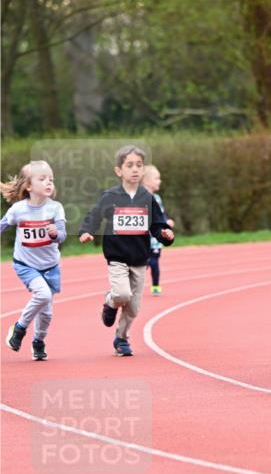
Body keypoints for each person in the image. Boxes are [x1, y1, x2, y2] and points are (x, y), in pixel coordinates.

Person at [79, 145, 174, 356]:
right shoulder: (110, 196)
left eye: (139, 165)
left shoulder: (147, 199)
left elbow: (157, 226)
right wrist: (87, 231)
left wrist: (165, 235)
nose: (135, 170)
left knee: (133, 307)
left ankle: (121, 338)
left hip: (140, 258)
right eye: (129, 165)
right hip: (117, 257)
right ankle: (110, 301)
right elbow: (94, 215)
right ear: (119, 170)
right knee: (121, 294)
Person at [1, 160, 66, 361]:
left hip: (50, 266)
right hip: (26, 265)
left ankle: (38, 341)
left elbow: (62, 235)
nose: (49, 182)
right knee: (43, 294)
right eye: (42, 179)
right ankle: (19, 329)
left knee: (46, 314)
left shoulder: (55, 208)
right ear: (29, 186)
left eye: (51, 179)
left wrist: (56, 234)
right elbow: (2, 225)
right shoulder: (18, 210)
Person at [142, 164, 175, 295]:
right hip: (142, 238)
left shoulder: (157, 199)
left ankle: (155, 285)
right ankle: (133, 285)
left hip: (155, 239)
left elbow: (160, 215)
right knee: (141, 264)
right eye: (157, 178)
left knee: (154, 262)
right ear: (147, 181)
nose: (159, 181)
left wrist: (166, 222)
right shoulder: (139, 198)